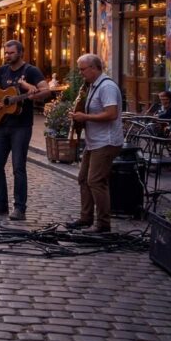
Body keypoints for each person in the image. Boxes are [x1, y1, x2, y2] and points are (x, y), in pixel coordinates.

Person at [0, 40, 49, 221]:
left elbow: (46, 90)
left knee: (18, 167)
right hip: (2, 124)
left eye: (11, 53)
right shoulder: (2, 70)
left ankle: (20, 208)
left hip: (21, 126)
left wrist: (30, 90)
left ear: (20, 53)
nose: (7, 55)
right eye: (6, 52)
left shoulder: (30, 71)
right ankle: (0, 203)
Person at [67, 54, 123, 234]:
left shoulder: (106, 87)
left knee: (96, 181)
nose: (81, 73)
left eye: (83, 69)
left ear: (94, 68)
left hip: (106, 141)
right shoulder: (92, 85)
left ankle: (103, 224)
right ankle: (86, 218)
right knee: (83, 178)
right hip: (94, 141)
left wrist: (85, 117)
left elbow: (112, 114)